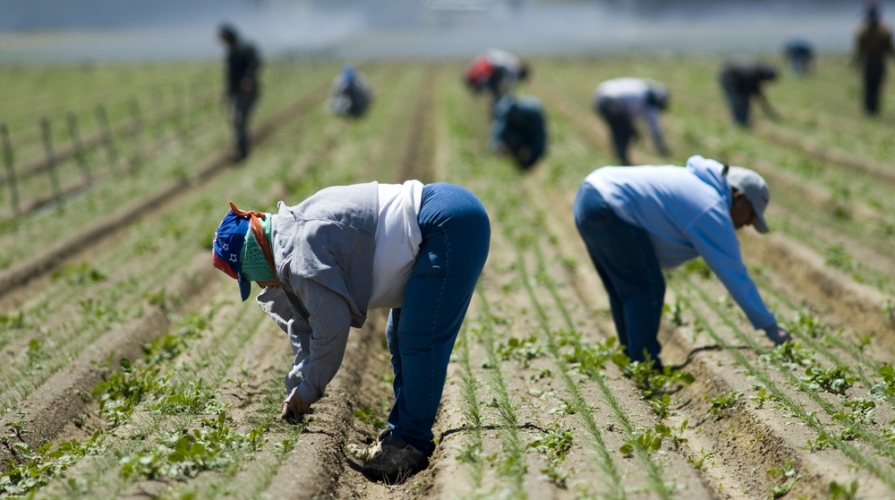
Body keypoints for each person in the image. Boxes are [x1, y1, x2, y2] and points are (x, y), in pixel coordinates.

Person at [211, 180, 490, 483]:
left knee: (419, 339)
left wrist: (308, 392)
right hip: (446, 210)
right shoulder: (289, 235)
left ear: (253, 262)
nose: (261, 287)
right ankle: (399, 437)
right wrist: (296, 387)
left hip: (448, 225)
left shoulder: (301, 255)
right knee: (399, 337)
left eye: (251, 279)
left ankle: (412, 443)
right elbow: (304, 326)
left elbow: (330, 331)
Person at [573, 155, 791, 365]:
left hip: (589, 196)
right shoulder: (710, 207)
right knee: (646, 287)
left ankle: (632, 357)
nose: (747, 224)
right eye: (751, 216)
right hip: (609, 204)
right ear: (740, 198)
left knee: (626, 289)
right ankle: (645, 362)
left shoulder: (698, 186)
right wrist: (770, 327)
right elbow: (734, 273)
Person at [593, 78, 670, 165]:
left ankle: (620, 158)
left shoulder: (641, 88)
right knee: (624, 132)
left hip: (601, 97)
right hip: (612, 101)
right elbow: (654, 129)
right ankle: (622, 159)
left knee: (621, 130)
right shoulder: (648, 101)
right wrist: (661, 149)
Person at [218, 24, 261, 160]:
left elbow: (256, 63)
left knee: (239, 120)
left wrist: (248, 78)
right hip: (236, 92)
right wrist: (227, 92)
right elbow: (230, 76)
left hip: (247, 92)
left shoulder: (245, 48)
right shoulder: (231, 52)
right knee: (237, 121)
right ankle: (241, 149)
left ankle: (242, 152)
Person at [854, 1, 894, 115]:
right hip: (878, 61)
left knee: (869, 85)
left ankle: (869, 109)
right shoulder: (884, 29)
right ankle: (873, 109)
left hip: (870, 61)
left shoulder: (863, 30)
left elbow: (859, 49)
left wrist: (856, 61)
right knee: (876, 85)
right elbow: (890, 48)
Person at [489, 93, 548, 170]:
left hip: (528, 145)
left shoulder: (533, 117)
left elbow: (540, 140)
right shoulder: (505, 116)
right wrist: (499, 146)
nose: (515, 120)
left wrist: (531, 152)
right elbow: (496, 135)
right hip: (513, 146)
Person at [718, 61, 778, 126]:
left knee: (743, 99)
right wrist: (767, 110)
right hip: (729, 77)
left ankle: (743, 119)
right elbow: (755, 91)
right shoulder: (754, 73)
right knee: (738, 99)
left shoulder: (757, 71)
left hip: (739, 77)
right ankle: (739, 121)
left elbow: (756, 92)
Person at [464, 49, 531, 104]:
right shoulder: (514, 69)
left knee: (495, 93)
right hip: (491, 66)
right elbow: (511, 86)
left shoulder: (514, 62)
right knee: (494, 92)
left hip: (491, 63)